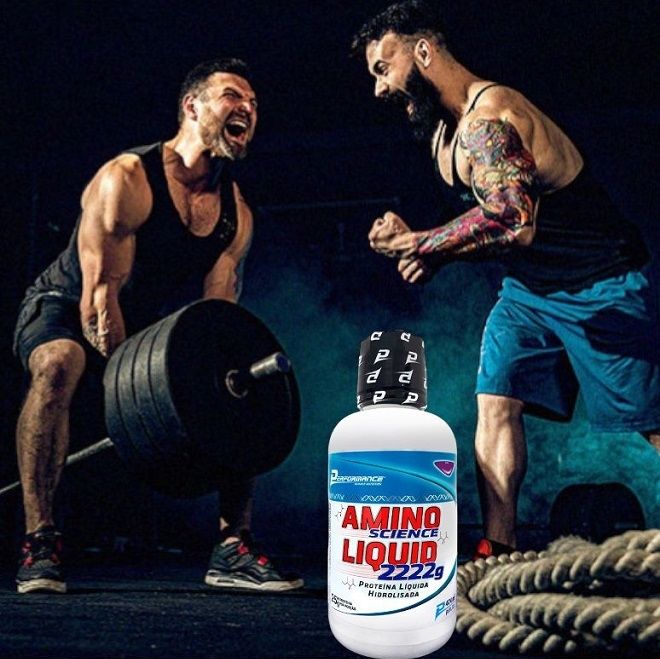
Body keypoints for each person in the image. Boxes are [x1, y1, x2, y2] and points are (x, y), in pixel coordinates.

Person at [352, 1, 660, 557]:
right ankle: (498, 548)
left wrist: (422, 243)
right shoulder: (443, 135)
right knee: (495, 399)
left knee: (650, 419)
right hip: (528, 292)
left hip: (601, 284)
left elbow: (514, 220)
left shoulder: (489, 118)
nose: (379, 89)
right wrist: (437, 253)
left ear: (423, 51)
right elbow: (490, 224)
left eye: (384, 68)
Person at [12, 58, 303, 593]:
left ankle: (232, 544)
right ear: (192, 106)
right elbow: (98, 303)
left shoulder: (236, 213)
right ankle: (40, 540)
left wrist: (209, 392)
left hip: (145, 322)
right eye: (232, 96)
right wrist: (142, 400)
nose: (247, 109)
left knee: (237, 371)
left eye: (254, 103)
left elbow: (216, 322)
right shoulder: (127, 179)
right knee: (59, 362)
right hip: (68, 303)